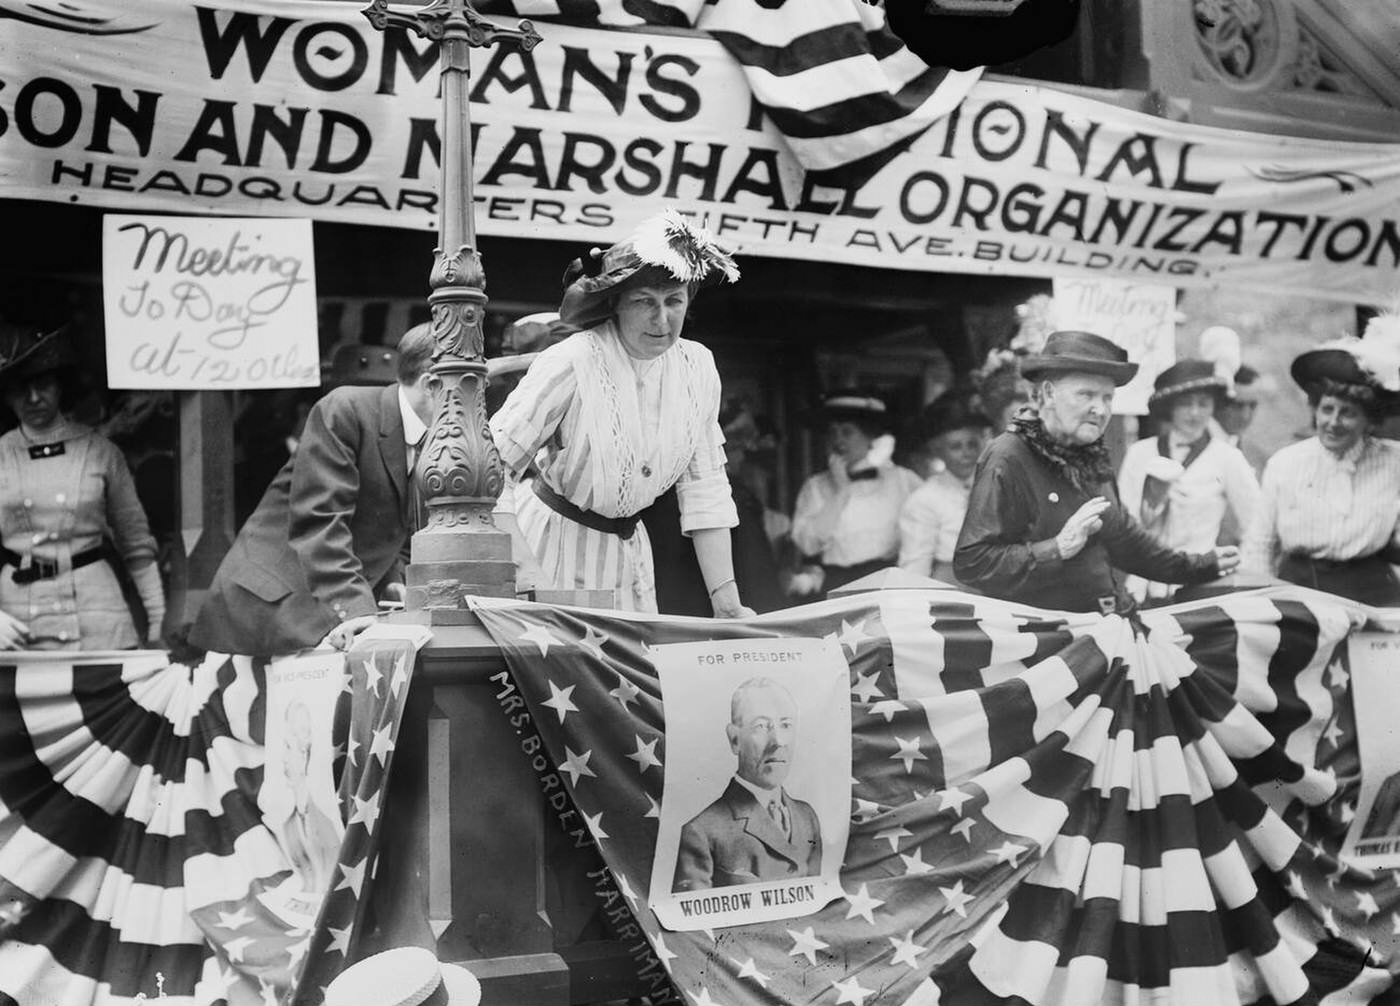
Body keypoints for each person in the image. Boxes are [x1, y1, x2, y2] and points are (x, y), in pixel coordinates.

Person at [489, 209, 750, 617]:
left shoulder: (698, 367)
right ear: (615, 305)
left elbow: (706, 488)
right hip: (550, 549)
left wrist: (726, 600)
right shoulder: (572, 360)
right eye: (644, 301)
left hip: (630, 558)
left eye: (673, 301)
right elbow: (490, 469)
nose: (661, 319)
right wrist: (527, 573)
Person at [188, 324, 443, 657]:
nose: (475, 401)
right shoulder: (345, 409)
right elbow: (320, 521)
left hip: (324, 614)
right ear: (431, 384)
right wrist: (357, 609)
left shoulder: (435, 439)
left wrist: (394, 580)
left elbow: (393, 527)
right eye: (469, 387)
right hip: (271, 609)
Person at [954, 331, 1239, 614]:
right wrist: (1057, 548)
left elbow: (1126, 541)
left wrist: (1201, 565)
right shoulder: (1007, 455)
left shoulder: (1092, 455)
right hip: (1045, 643)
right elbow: (972, 563)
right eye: (1086, 395)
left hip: (1106, 628)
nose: (1100, 409)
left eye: (1107, 398)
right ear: (1049, 394)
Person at [0, 322, 165, 650]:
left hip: (97, 615)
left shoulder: (101, 452)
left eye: (43, 384)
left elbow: (135, 542)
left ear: (60, 386)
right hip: (17, 619)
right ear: (6, 395)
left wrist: (158, 618)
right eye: (21, 389)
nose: (34, 398)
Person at [1241, 315, 1400, 606]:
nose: (1333, 422)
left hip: (1372, 596)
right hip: (1300, 594)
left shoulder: (1394, 463)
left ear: (1369, 420)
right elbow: (1260, 545)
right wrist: (1259, 604)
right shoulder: (1286, 464)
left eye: (1348, 413)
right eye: (1327, 409)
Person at [1116, 359, 1259, 601]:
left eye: (1203, 404)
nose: (1194, 413)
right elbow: (1122, 523)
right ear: (1169, 407)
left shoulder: (1227, 458)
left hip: (1199, 585)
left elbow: (1256, 527)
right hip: (1140, 588)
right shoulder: (1140, 453)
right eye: (1185, 404)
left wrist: (1237, 575)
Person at [672, 677, 822, 892]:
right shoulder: (700, 832)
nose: (778, 741)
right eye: (761, 726)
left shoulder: (807, 816)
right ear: (735, 739)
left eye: (786, 725)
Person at [789, 391, 922, 597]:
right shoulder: (815, 486)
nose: (838, 440)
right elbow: (807, 545)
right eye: (832, 432)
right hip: (836, 584)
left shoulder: (902, 480)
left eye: (847, 432)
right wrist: (841, 492)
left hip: (889, 583)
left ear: (870, 437)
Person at [898, 396, 993, 585]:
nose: (966, 453)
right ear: (938, 450)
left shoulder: (995, 485)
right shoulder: (925, 500)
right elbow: (916, 564)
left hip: (998, 582)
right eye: (955, 447)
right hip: (952, 585)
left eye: (972, 444)